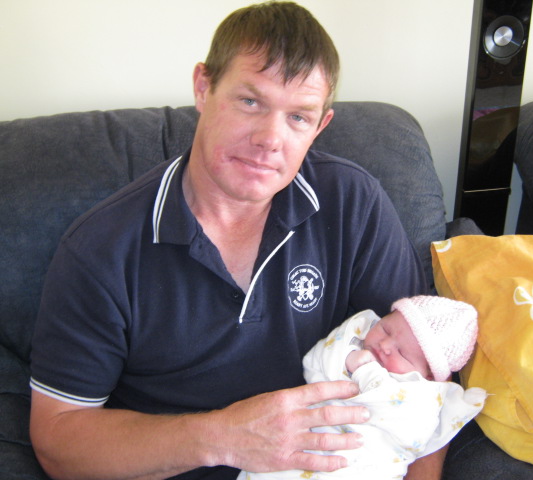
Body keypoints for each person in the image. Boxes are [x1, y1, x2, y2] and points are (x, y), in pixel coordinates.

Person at [28, 2, 446, 479]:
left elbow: (427, 375)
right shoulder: (101, 249)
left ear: (321, 125)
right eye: (251, 102)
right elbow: (59, 439)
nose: (270, 139)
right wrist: (224, 437)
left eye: (298, 118)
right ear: (204, 87)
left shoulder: (353, 203)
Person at [237, 295, 487, 480]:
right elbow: (315, 364)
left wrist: (365, 373)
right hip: (306, 444)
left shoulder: (422, 399)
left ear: (428, 376)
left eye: (402, 352)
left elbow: (409, 433)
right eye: (387, 328)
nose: (385, 345)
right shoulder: (355, 337)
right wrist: (346, 360)